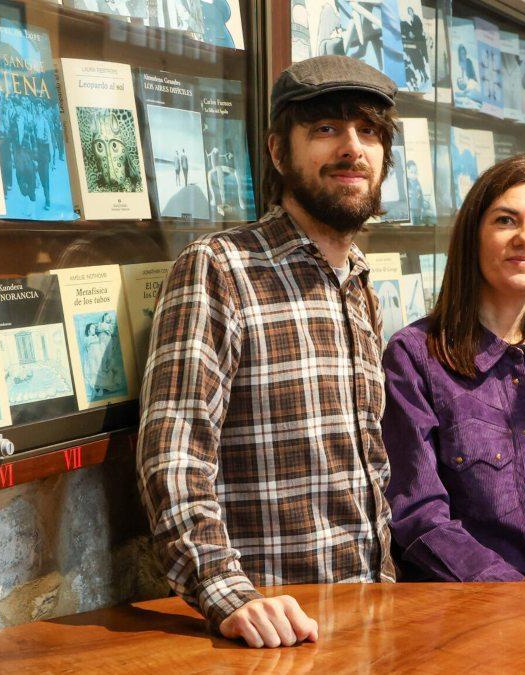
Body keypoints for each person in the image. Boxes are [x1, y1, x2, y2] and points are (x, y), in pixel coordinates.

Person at [138, 55, 400, 650]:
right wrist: (229, 593)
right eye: (327, 130)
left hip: (372, 620)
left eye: (368, 132)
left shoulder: (360, 284)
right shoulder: (220, 268)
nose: (352, 149)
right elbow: (172, 456)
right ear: (280, 152)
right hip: (272, 636)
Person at [382, 154, 525, 585]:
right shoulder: (415, 357)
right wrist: (513, 587)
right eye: (505, 221)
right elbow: (417, 516)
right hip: (471, 612)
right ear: (473, 240)